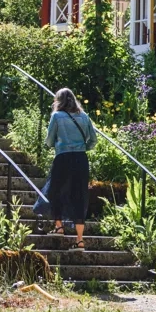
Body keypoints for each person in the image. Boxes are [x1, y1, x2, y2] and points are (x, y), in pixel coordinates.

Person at [44, 88, 98, 250]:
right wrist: (82, 147)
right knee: (79, 194)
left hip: (63, 158)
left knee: (55, 191)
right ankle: (79, 240)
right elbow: (93, 141)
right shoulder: (84, 117)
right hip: (81, 159)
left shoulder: (57, 116)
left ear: (58, 100)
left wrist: (58, 145)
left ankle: (59, 227)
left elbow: (48, 141)